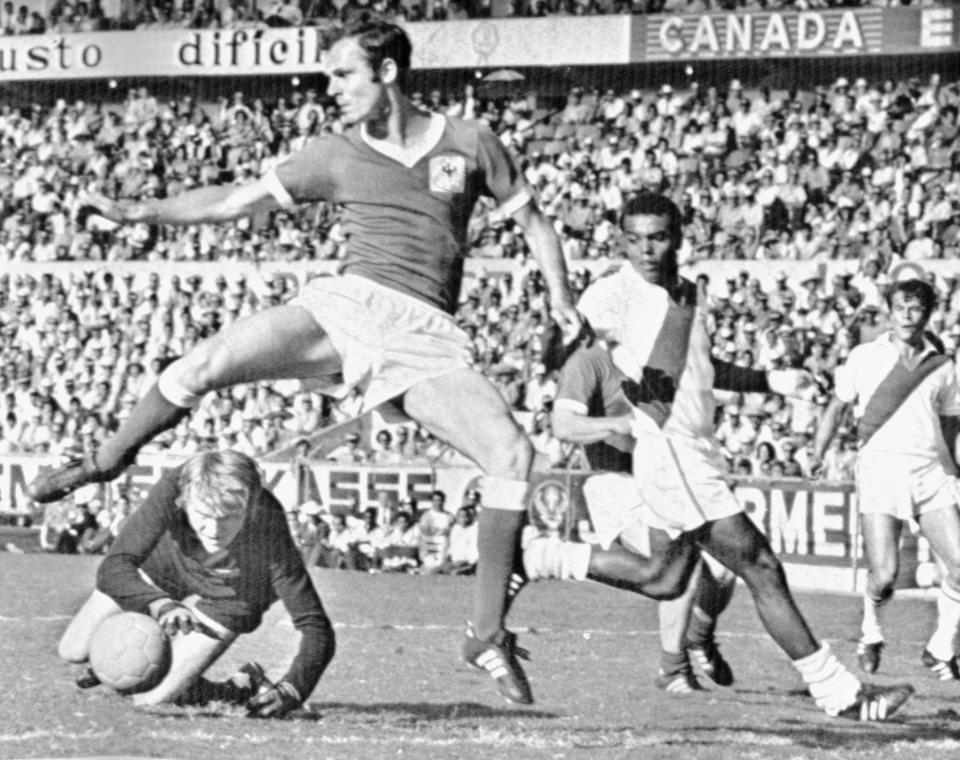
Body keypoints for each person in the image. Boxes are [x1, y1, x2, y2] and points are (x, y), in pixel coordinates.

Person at [31, 18, 583, 706]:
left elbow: (532, 220)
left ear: (387, 72)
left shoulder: (470, 144)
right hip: (347, 306)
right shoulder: (332, 152)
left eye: (343, 74)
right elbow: (232, 203)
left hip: (426, 331)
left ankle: (485, 633)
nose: (331, 88)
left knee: (512, 455)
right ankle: (106, 460)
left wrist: (561, 296)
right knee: (201, 364)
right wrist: (137, 210)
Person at [572, 193, 913, 721]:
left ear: (679, 236)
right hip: (671, 453)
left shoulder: (688, 293)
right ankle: (840, 694)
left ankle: (535, 556)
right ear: (620, 239)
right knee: (760, 565)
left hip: (695, 451)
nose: (646, 249)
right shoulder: (610, 295)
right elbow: (565, 348)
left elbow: (705, 371)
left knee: (664, 578)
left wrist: (772, 380)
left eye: (658, 236)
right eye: (633, 238)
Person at [57, 450, 335, 717]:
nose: (213, 531)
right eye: (203, 515)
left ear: (249, 508)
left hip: (233, 594)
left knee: (149, 700)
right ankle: (144, 660)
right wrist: (159, 603)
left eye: (227, 518)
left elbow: (315, 626)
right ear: (185, 500)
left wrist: (293, 688)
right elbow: (114, 567)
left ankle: (239, 687)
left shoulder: (268, 527)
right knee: (72, 650)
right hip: (167, 563)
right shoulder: (173, 488)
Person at [549, 341, 737, 693]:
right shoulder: (590, 362)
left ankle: (699, 638)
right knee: (683, 565)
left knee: (724, 571)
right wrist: (618, 423)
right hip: (614, 481)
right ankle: (673, 668)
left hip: (664, 477)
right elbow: (563, 426)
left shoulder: (655, 359)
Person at [811, 278, 960, 681]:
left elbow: (949, 423)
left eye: (916, 309)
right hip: (881, 472)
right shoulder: (865, 356)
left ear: (928, 314)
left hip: (931, 473)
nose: (908, 316)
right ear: (890, 312)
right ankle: (870, 632)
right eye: (900, 308)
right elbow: (837, 407)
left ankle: (941, 647)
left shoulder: (943, 365)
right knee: (885, 575)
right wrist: (819, 451)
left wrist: (953, 467)